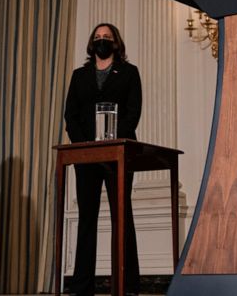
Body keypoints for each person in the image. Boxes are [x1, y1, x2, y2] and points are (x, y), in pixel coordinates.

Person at [63, 23, 143, 296]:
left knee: (122, 217)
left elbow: (133, 112)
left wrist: (113, 140)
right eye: (97, 37)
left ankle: (127, 285)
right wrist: (82, 145)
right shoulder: (79, 75)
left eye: (107, 37)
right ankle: (81, 287)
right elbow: (71, 114)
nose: (102, 40)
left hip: (118, 153)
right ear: (91, 43)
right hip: (86, 154)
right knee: (87, 218)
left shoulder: (129, 73)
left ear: (116, 42)